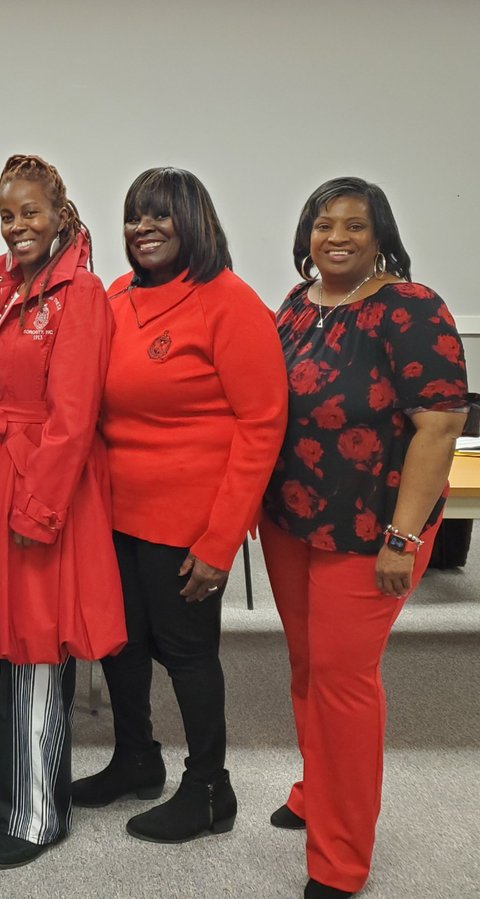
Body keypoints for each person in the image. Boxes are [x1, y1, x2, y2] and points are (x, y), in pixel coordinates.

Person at [260, 177, 467, 899]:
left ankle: (341, 858)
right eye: (323, 224)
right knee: (307, 666)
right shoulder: (294, 305)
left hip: (372, 532)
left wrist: (403, 540)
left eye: (354, 225)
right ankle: (318, 789)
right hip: (291, 520)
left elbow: (439, 425)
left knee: (345, 684)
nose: (337, 237)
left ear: (381, 236)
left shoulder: (412, 309)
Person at [73, 167, 288, 845]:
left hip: (187, 522)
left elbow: (262, 425)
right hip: (115, 513)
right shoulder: (113, 298)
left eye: (161, 215)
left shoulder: (228, 303)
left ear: (194, 221)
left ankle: (209, 788)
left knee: (188, 654)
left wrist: (221, 540)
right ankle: (136, 757)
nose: (144, 228)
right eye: (135, 216)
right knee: (125, 645)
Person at [0, 154, 127, 869]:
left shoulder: (80, 292)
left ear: (60, 215)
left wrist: (38, 507)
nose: (17, 225)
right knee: (0, 636)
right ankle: (8, 784)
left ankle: (38, 813)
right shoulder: (3, 285)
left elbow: (73, 417)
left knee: (34, 641)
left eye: (30, 212)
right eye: (6, 214)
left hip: (42, 483)